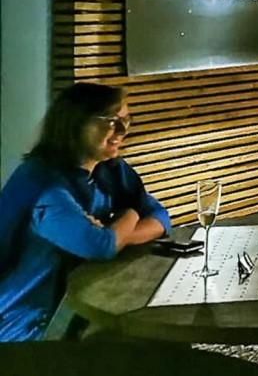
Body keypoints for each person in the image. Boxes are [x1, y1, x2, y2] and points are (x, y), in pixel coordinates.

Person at [0, 82, 169, 342]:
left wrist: (120, 232)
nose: (122, 132)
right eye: (111, 121)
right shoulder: (42, 185)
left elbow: (160, 217)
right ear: (75, 124)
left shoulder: (110, 169)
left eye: (126, 121)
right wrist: (132, 212)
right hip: (28, 327)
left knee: (159, 338)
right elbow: (100, 245)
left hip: (75, 309)